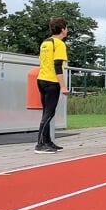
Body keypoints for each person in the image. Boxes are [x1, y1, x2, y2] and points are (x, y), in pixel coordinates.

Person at [34, 17, 70, 153]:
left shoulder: (45, 43)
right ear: (62, 29)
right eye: (66, 28)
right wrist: (63, 86)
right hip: (51, 81)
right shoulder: (59, 44)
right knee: (49, 113)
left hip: (41, 79)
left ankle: (47, 141)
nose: (67, 30)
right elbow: (58, 66)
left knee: (46, 112)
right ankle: (40, 144)